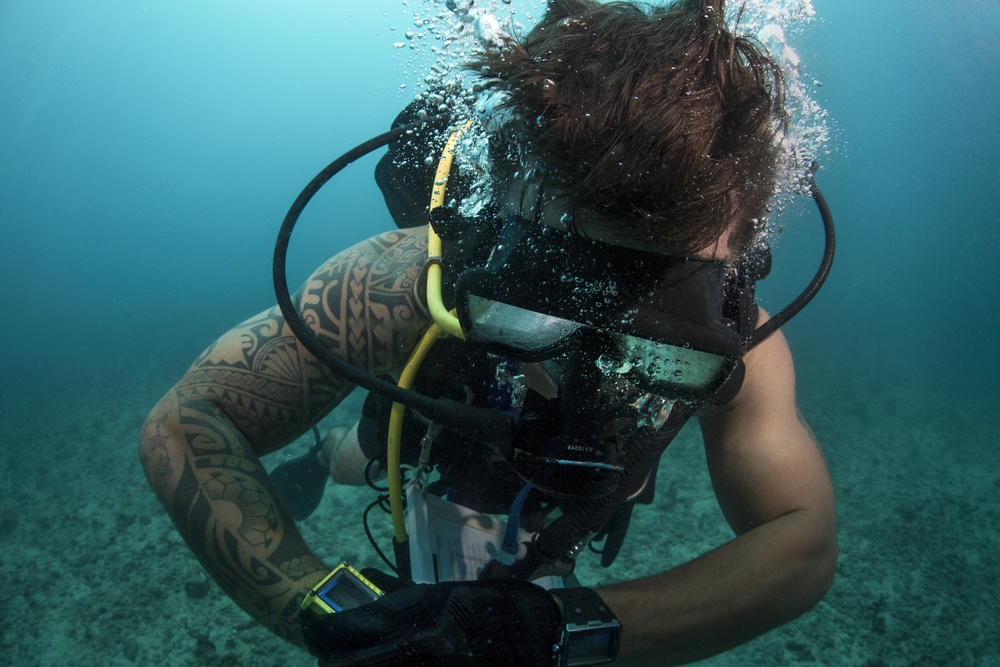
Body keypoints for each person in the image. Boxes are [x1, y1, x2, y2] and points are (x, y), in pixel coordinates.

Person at [139, 0, 837, 664]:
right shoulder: (413, 277)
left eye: (662, 343)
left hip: (574, 502)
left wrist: (549, 629)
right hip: (440, 421)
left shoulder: (742, 339)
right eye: (534, 314)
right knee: (363, 454)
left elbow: (801, 539)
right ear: (489, 239)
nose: (585, 376)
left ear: (735, 272)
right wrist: (329, 611)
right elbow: (189, 418)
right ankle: (328, 453)